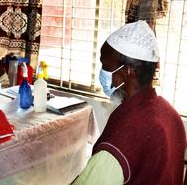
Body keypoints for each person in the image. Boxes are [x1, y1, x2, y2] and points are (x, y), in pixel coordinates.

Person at [72, 20, 186, 185]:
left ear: (126, 72)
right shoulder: (169, 114)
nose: (102, 72)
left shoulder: (123, 139)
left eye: (105, 65)